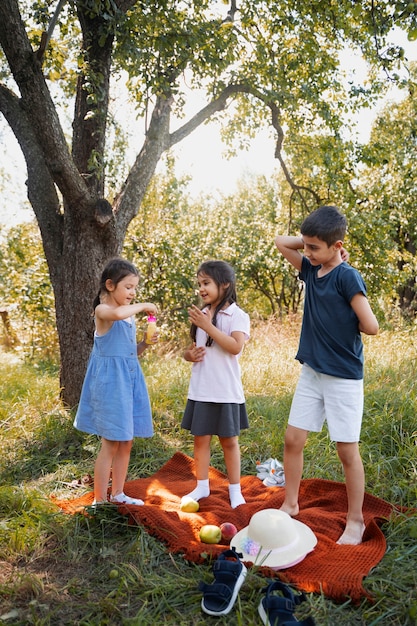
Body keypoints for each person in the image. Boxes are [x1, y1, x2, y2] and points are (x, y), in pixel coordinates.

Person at [275, 205, 379, 545]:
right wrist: (314, 244)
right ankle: (291, 504)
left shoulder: (347, 276)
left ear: (336, 246)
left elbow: (372, 325)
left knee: (346, 450)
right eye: (305, 245)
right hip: (312, 372)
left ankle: (355, 520)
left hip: (343, 378)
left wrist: (346, 321)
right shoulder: (310, 268)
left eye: (314, 247)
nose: (306, 252)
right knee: (293, 439)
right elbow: (281, 242)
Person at [74, 257, 158, 506]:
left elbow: (129, 353)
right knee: (110, 442)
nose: (132, 293)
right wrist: (143, 305)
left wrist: (143, 343)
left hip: (128, 381)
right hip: (110, 385)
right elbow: (118, 313)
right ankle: (99, 500)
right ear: (110, 285)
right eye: (128, 287)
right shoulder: (103, 311)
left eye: (135, 288)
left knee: (126, 440)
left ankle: (118, 492)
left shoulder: (127, 317)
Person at [181, 260, 250, 509]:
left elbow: (235, 347)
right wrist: (189, 356)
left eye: (206, 283)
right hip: (201, 389)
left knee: (229, 441)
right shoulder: (203, 315)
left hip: (226, 391)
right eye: (199, 283)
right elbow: (190, 350)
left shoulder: (237, 315)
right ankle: (201, 486)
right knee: (200, 440)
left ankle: (235, 490)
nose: (201, 288)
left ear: (225, 284)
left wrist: (208, 326)